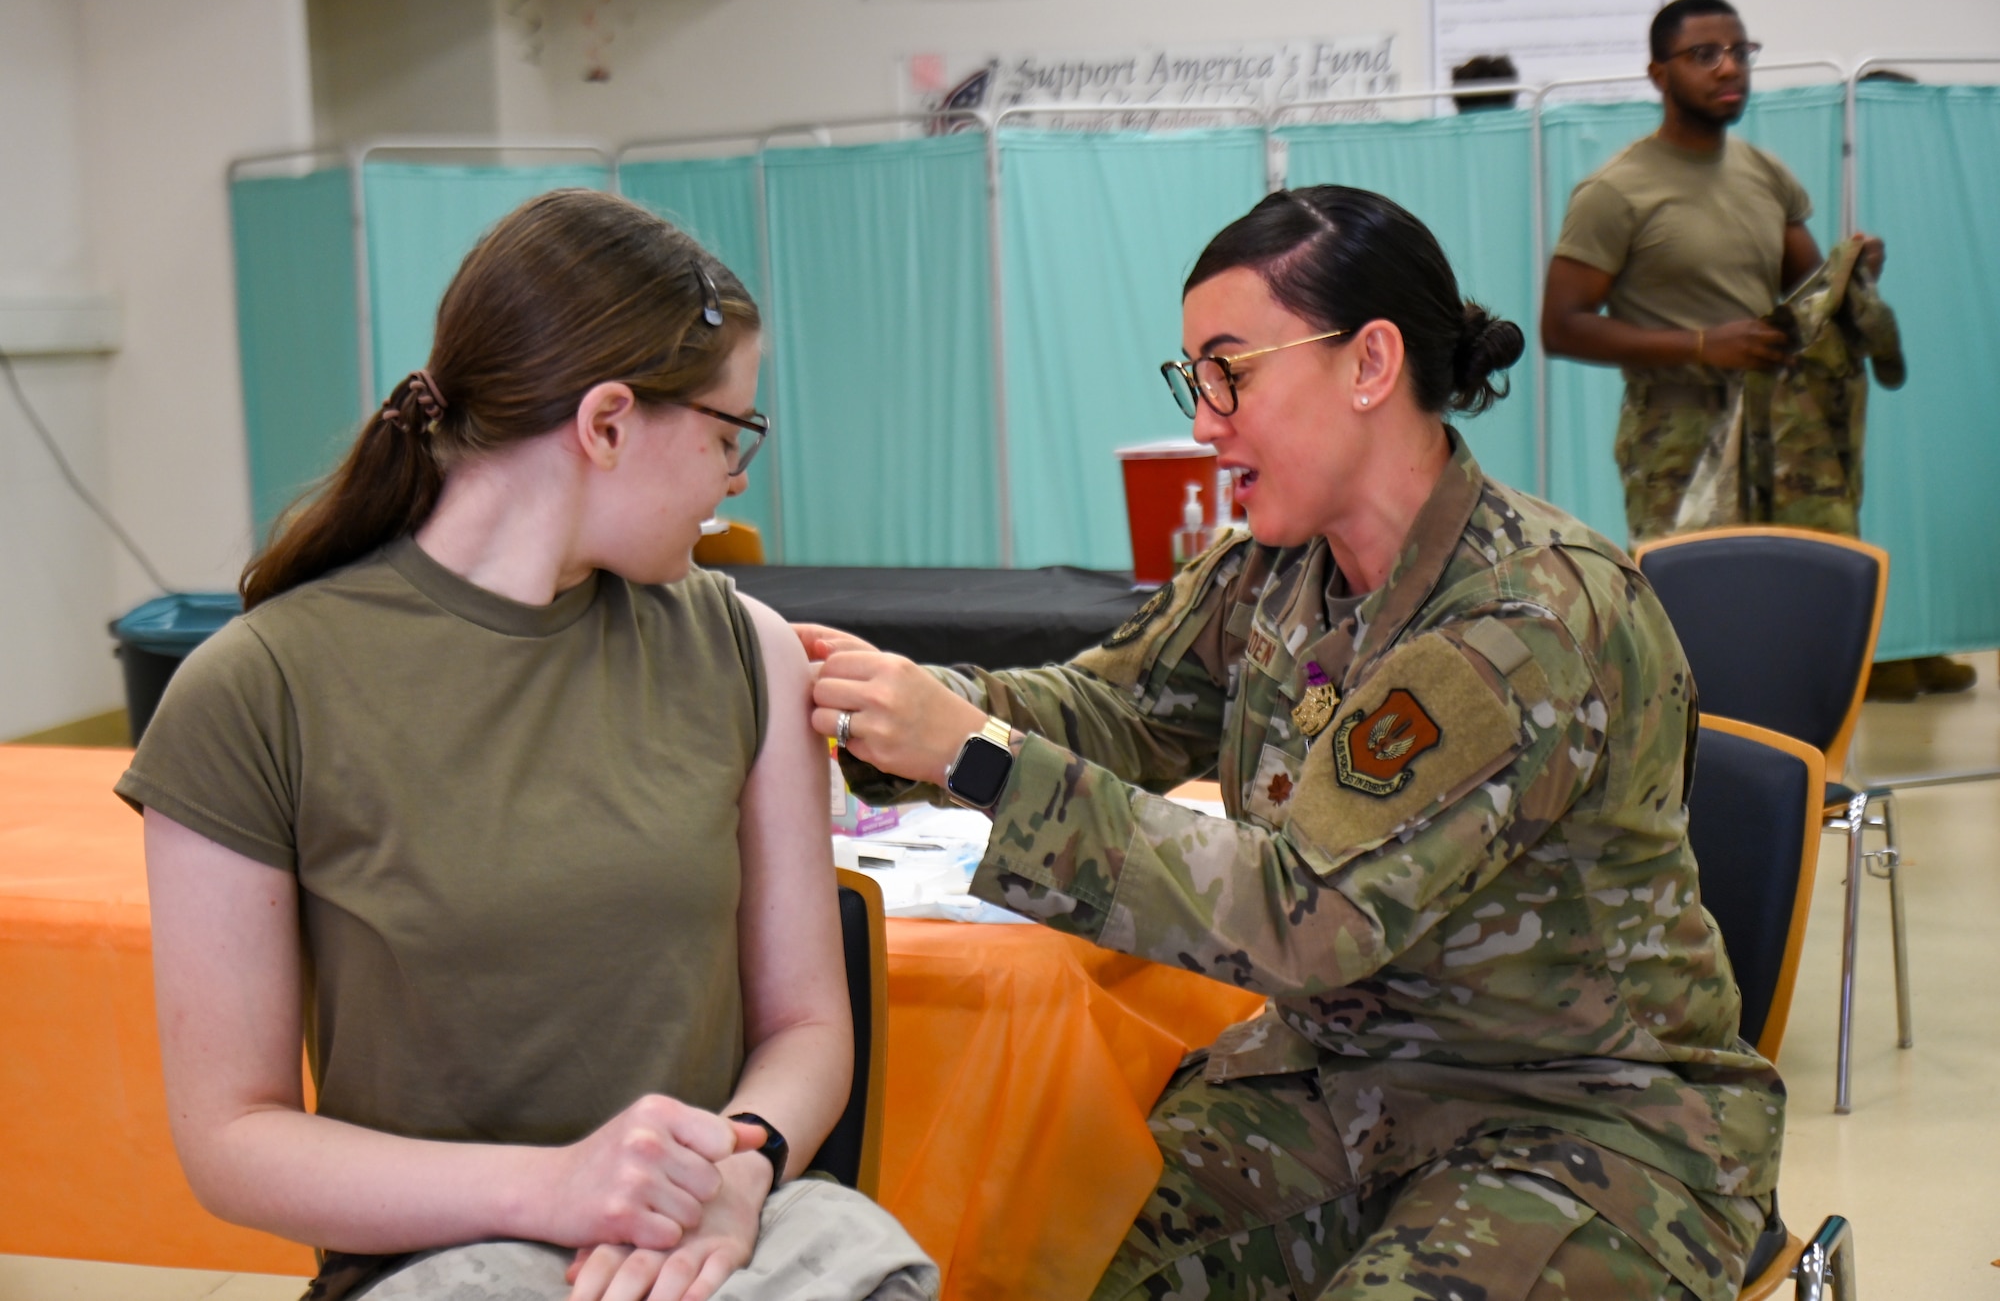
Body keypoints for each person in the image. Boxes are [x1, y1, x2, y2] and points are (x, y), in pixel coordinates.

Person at [803, 185, 1782, 1301]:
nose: (1202, 421)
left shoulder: (1522, 624)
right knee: (1052, 1251)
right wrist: (887, 705)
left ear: (1368, 363)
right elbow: (1111, 709)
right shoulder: (1275, 570)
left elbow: (1300, 915)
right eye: (1193, 379)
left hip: (1572, 1125)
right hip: (1341, 1087)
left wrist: (976, 756)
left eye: (1230, 371)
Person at [118, 189, 935, 1301]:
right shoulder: (255, 690)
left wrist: (744, 1166)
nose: (735, 480)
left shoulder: (743, 649)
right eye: (726, 433)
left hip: (721, 1232)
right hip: (446, 1258)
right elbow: (233, 1137)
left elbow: (803, 1021)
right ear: (605, 424)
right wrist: (555, 1188)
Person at [1541, 0, 1969, 698]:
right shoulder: (1615, 192)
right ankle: (1700, 784)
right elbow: (1563, 324)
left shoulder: (1766, 175)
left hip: (1785, 436)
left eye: (1741, 51)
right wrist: (1704, 344)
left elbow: (1805, 296)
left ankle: (1796, 776)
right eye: (1705, 54)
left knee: (1800, 608)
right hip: (1680, 441)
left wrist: (1851, 277)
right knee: (1697, 622)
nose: (1729, 67)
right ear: (1658, 74)